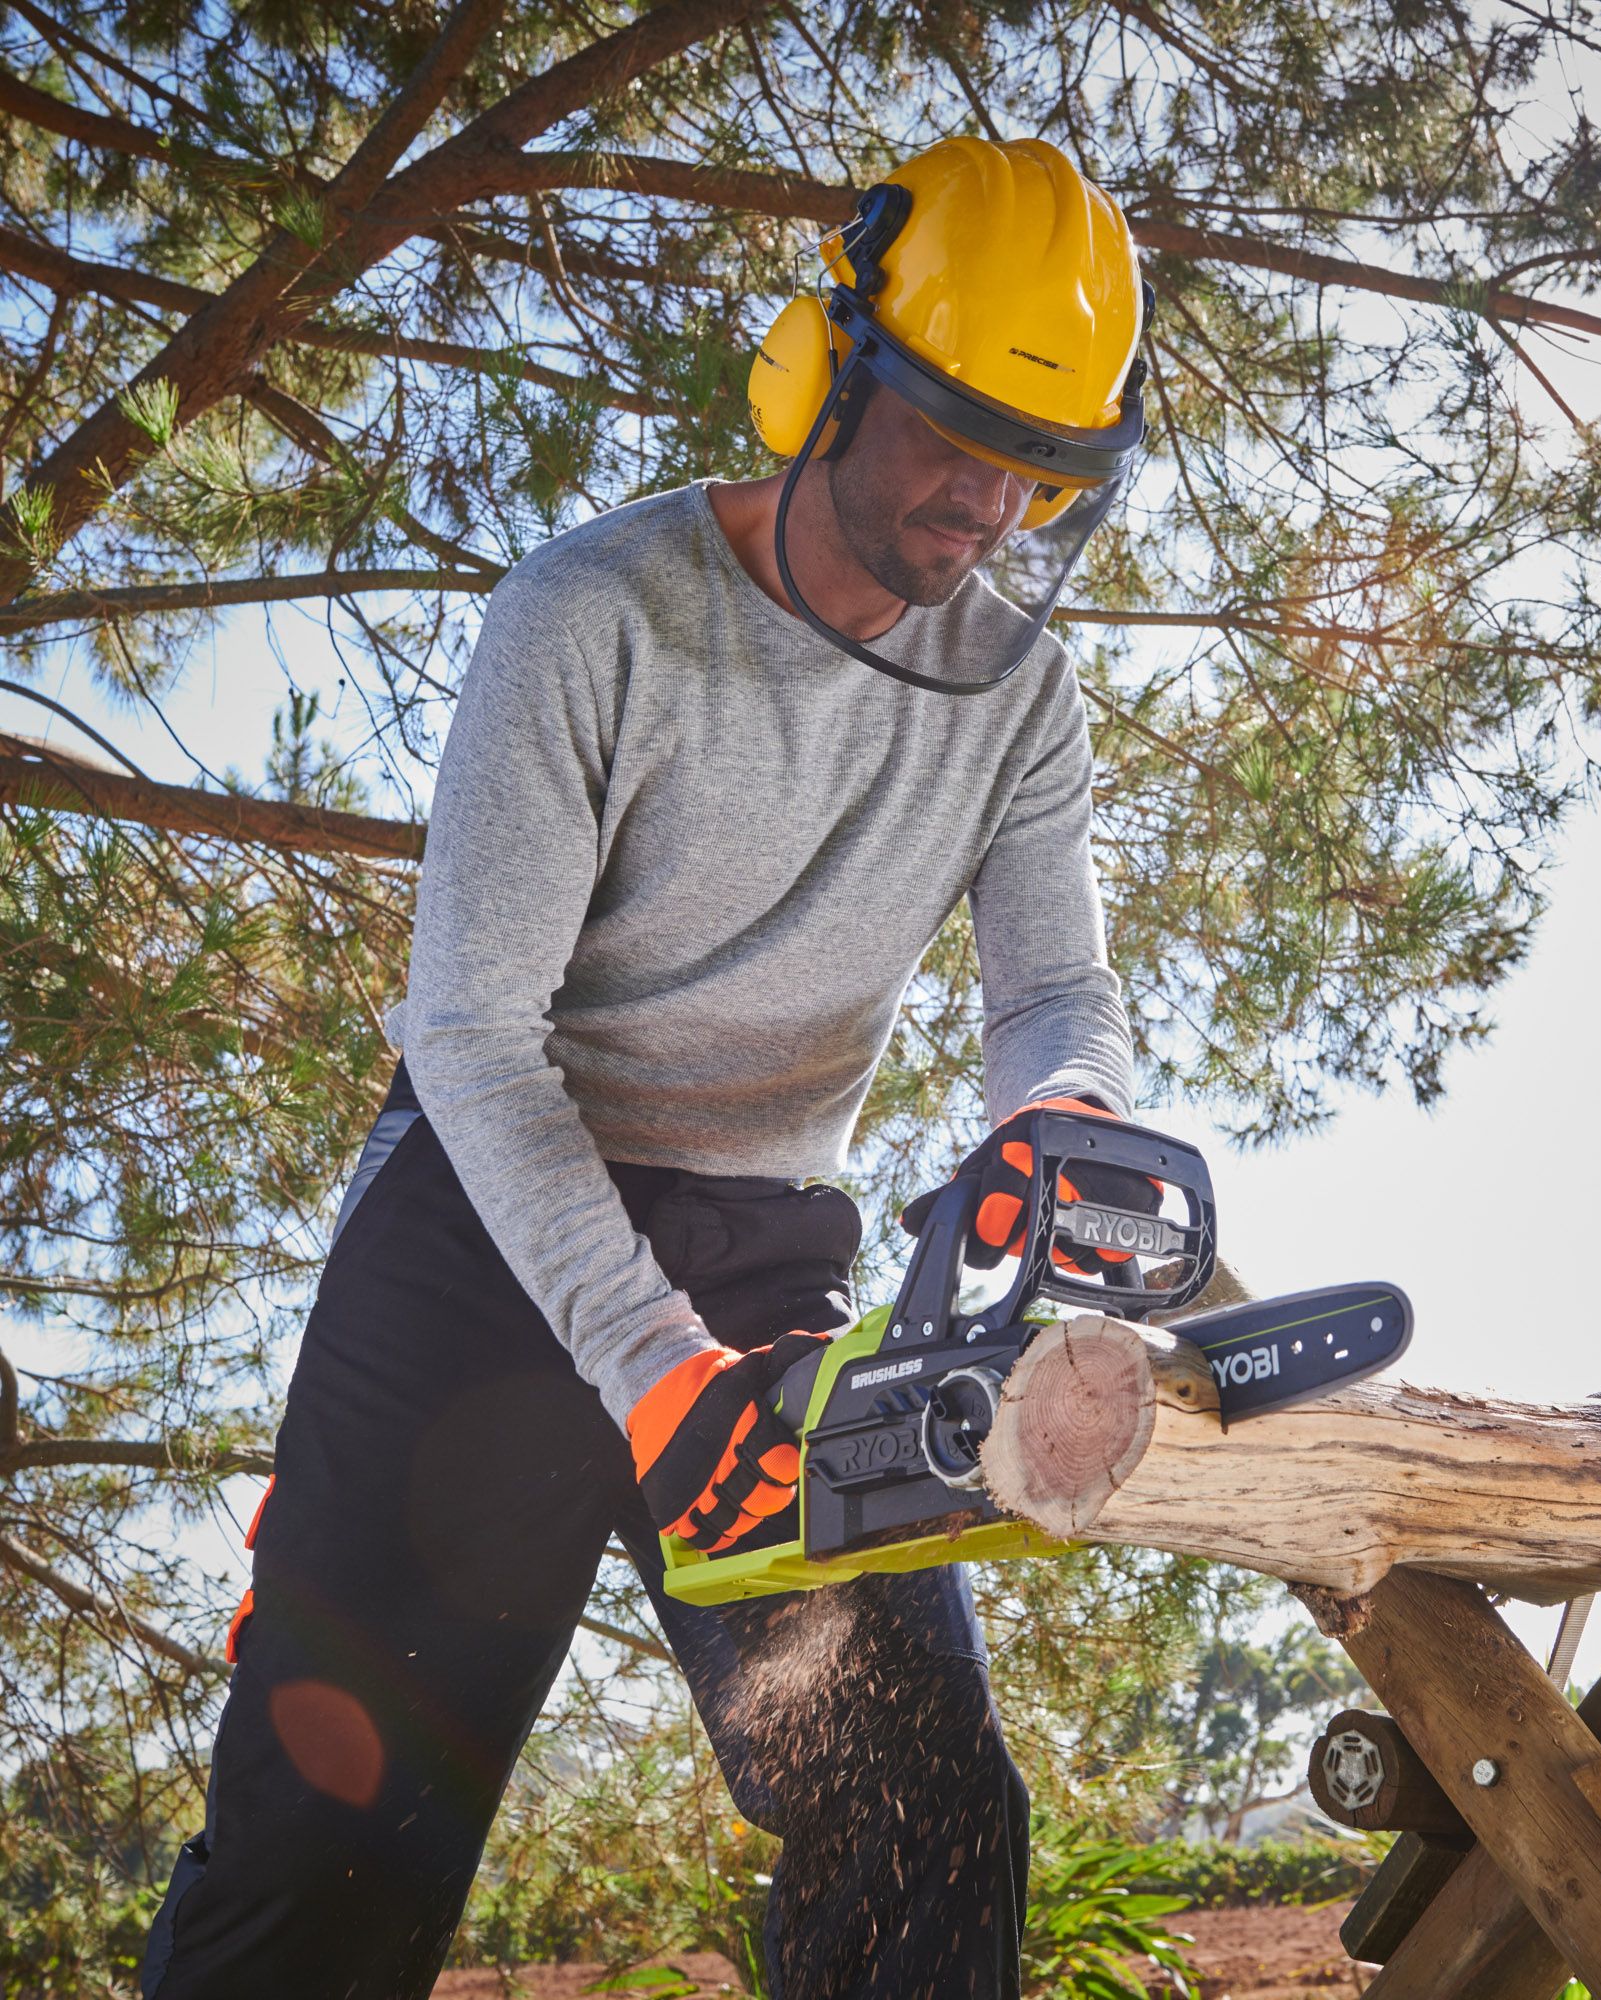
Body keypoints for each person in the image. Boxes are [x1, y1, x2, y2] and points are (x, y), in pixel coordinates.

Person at [141, 134, 1157, 2000]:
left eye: (1038, 468)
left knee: (920, 1802)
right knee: (330, 1857)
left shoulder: (1022, 694)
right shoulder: (592, 615)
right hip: (481, 1237)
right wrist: (646, 1365)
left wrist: (1062, 1110)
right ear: (828, 368)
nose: (987, 503)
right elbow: (467, 1032)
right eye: (948, 434)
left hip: (765, 1261)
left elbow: (1052, 993)